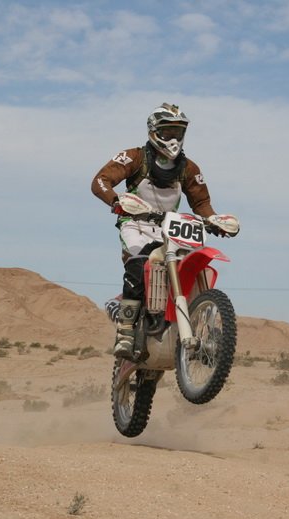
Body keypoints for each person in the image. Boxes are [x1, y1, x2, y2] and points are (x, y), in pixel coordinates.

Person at [91, 102, 232, 359]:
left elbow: (201, 202)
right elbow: (101, 180)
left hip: (169, 227)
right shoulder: (135, 157)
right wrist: (115, 201)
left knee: (189, 264)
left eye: (178, 132)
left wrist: (213, 220)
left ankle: (200, 329)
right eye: (167, 131)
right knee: (139, 263)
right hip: (135, 223)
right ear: (154, 131)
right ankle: (125, 331)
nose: (173, 138)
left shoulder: (189, 168)